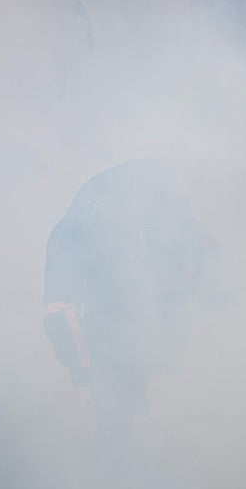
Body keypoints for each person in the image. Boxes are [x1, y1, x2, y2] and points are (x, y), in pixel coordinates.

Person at [43, 160, 210, 433]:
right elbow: (60, 305)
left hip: (150, 332)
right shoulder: (96, 208)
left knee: (131, 426)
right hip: (116, 333)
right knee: (123, 424)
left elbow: (207, 267)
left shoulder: (168, 207)